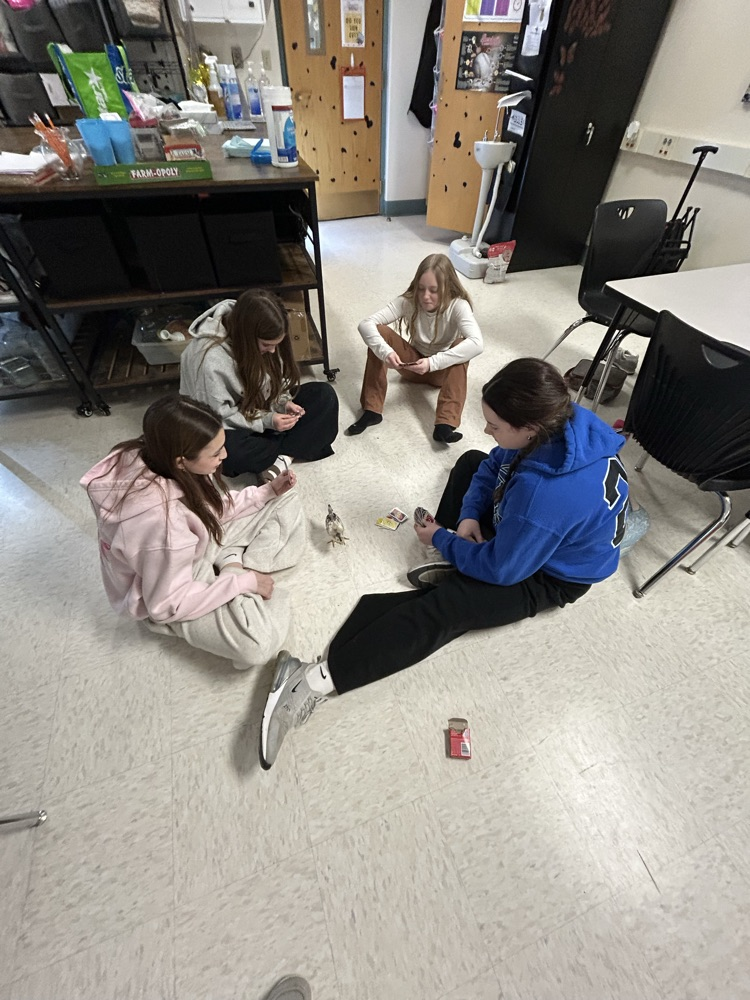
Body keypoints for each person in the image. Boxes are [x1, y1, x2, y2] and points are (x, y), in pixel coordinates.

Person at [259, 358, 629, 769]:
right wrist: (468, 517)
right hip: (533, 528)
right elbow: (493, 464)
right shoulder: (561, 417)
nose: (486, 430)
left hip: (550, 575)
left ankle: (310, 681)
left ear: (530, 429)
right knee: (471, 462)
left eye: (495, 426)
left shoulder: (544, 495)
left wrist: (441, 538)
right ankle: (461, 559)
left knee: (447, 609)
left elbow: (505, 570)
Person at [81, 394, 306, 671]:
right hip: (168, 590)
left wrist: (266, 492)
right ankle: (236, 568)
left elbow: (210, 508)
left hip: (194, 543)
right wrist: (240, 583)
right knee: (256, 645)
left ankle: (231, 561)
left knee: (285, 498)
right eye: (215, 453)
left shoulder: (157, 456)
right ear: (181, 461)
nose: (225, 456)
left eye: (222, 446)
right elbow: (165, 605)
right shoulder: (162, 526)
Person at [180, 289, 338, 482]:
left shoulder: (263, 340)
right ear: (246, 337)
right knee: (229, 453)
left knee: (324, 395)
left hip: (257, 408)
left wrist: (283, 402)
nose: (272, 351)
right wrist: (267, 421)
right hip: (225, 421)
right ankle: (288, 449)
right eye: (266, 345)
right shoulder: (208, 360)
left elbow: (275, 381)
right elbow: (216, 418)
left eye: (276, 344)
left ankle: (280, 457)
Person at [346, 253, 483, 444]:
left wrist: (432, 363)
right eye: (421, 289)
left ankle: (445, 423)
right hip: (411, 366)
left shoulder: (458, 305)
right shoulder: (408, 301)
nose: (426, 296)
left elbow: (477, 343)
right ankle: (372, 409)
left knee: (462, 345)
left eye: (434, 290)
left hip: (440, 372)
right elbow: (365, 324)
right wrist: (386, 352)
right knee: (379, 332)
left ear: (448, 287)